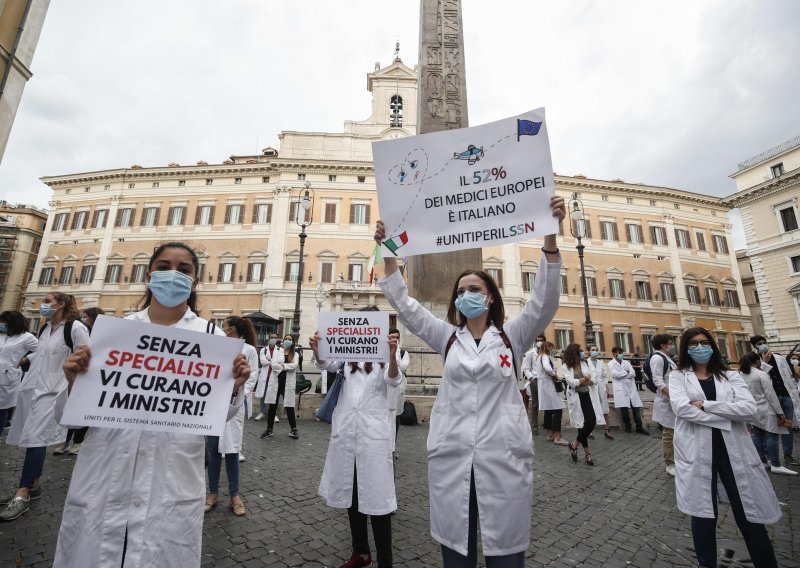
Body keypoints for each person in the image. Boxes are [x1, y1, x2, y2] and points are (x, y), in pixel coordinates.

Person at [376, 194, 565, 566]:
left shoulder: (513, 335)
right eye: (460, 291)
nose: (466, 295)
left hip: (503, 455)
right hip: (454, 454)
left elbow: (544, 301)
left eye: (474, 290)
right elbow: (407, 306)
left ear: (490, 298)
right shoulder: (446, 338)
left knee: (507, 553)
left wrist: (550, 238)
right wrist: (387, 250)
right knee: (456, 552)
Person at [50, 242, 250, 566]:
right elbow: (69, 421)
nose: (173, 275)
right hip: (105, 474)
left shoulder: (212, 340)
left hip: (172, 481)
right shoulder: (113, 334)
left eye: (183, 270)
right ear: (149, 275)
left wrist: (233, 389)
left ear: (195, 281)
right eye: (164, 266)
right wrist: (74, 382)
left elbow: (215, 417)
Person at [670, 327, 780, 568]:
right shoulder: (678, 376)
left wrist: (706, 406)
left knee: (749, 515)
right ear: (685, 349)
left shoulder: (731, 376)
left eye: (704, 342)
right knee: (703, 516)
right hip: (698, 453)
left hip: (733, 452)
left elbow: (748, 409)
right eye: (693, 344)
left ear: (713, 345)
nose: (700, 348)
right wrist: (726, 416)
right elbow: (682, 409)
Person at [310, 322, 402, 568]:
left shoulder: (385, 357)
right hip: (348, 433)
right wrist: (318, 349)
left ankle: (385, 561)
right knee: (352, 494)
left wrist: (392, 356)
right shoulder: (346, 357)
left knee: (378, 498)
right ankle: (361, 552)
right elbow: (324, 363)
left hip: (373, 437)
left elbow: (393, 380)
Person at [1, 292, 89, 522]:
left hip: (54, 390)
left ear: (61, 304)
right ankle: (35, 485)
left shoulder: (76, 328)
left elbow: (87, 357)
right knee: (31, 436)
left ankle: (22, 494)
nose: (43, 305)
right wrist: (26, 360)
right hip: (32, 389)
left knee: (36, 439)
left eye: (48, 301)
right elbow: (41, 355)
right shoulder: (44, 328)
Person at [205, 316, 259, 516]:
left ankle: (234, 495)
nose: (222, 328)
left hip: (235, 403)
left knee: (232, 449)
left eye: (224, 326)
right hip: (213, 403)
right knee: (213, 448)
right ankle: (212, 493)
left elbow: (252, 375)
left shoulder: (249, 350)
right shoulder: (216, 346)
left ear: (232, 329)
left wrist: (236, 391)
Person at [53, 306, 106, 457]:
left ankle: (77, 441)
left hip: (94, 373)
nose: (84, 319)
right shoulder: (82, 330)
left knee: (85, 408)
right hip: (79, 370)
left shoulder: (101, 332)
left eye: (86, 316)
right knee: (72, 405)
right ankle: (66, 440)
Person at [739, 352, 796, 475]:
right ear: (758, 361)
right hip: (766, 408)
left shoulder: (741, 375)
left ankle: (763, 461)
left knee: (758, 434)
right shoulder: (761, 374)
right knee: (772, 435)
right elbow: (771, 395)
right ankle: (775, 464)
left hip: (752, 409)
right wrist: (780, 413)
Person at [750, 335, 800, 466]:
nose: (763, 345)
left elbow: (788, 376)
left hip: (786, 395)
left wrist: (793, 391)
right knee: (770, 428)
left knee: (787, 426)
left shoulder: (779, 358)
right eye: (759, 343)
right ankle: (770, 455)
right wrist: (764, 362)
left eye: (764, 342)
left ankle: (788, 454)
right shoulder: (754, 361)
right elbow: (757, 378)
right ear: (755, 346)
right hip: (770, 399)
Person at [562, 345, 604, 466]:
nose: (582, 354)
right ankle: (587, 454)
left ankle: (574, 445)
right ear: (572, 354)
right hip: (575, 397)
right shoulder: (566, 367)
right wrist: (585, 378)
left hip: (587, 396)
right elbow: (572, 383)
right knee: (581, 425)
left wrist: (582, 380)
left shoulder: (586, 363)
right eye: (579, 352)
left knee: (591, 422)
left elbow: (595, 379)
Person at [0, 311, 38, 437]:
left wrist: (25, 359)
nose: (1, 324)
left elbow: (42, 350)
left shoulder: (27, 337)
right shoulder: (2, 334)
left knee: (2, 407)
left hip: (7, 376)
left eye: (4, 322)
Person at [649, 334, 677, 476]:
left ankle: (676, 460)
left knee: (674, 432)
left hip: (673, 401)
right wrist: (672, 395)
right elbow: (658, 380)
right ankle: (670, 462)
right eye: (671, 343)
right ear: (663, 345)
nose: (673, 346)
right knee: (669, 433)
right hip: (667, 400)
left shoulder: (667, 359)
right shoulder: (658, 358)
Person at [262, 333, 300, 439]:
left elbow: (294, 366)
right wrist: (284, 367)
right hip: (276, 381)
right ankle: (269, 429)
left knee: (289, 406)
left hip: (287, 383)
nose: (287, 341)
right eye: (286, 339)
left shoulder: (295, 354)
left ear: (292, 342)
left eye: (289, 339)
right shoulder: (277, 352)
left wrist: (283, 365)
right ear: (283, 341)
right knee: (272, 406)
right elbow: (274, 365)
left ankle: (294, 430)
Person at [608, 346, 649, 435]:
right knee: (624, 410)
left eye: (622, 353)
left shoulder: (626, 362)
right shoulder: (611, 364)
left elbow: (633, 373)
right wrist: (626, 372)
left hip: (631, 389)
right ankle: (628, 427)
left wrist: (623, 374)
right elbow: (615, 375)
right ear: (614, 354)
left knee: (636, 408)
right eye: (619, 353)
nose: (621, 355)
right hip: (621, 390)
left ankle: (639, 427)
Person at [538, 341, 568, 445]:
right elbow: (547, 368)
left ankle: (550, 434)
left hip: (544, 385)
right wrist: (554, 374)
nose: (553, 350)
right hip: (548, 385)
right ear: (547, 347)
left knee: (549, 409)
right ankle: (557, 436)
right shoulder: (545, 357)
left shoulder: (541, 357)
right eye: (552, 347)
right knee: (558, 409)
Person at [388, 327, 409, 459]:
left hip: (399, 389)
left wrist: (394, 357)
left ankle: (393, 447)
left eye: (397, 337)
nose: (394, 339)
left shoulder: (402, 353)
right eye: (392, 337)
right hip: (387, 389)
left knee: (396, 418)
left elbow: (403, 367)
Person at [586, 345, 613, 440]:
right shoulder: (586, 362)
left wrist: (607, 389)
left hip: (601, 387)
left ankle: (607, 430)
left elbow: (604, 377)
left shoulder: (601, 363)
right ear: (588, 352)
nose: (595, 351)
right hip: (591, 388)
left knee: (605, 410)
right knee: (591, 410)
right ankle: (590, 431)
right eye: (592, 350)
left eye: (596, 350)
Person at [254, 332, 281, 421]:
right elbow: (263, 362)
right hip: (265, 375)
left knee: (274, 394)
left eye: (275, 338)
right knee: (263, 394)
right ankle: (262, 412)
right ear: (268, 339)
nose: (274, 339)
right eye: (272, 337)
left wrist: (269, 361)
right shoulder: (263, 350)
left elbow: (280, 362)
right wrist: (273, 362)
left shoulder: (279, 350)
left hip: (274, 375)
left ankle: (273, 414)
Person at [521, 334, 545, 430]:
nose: (539, 342)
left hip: (545, 380)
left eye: (541, 340)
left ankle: (547, 425)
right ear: (535, 342)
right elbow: (526, 368)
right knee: (535, 404)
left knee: (547, 403)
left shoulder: (547, 353)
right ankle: (534, 426)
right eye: (537, 340)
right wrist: (531, 379)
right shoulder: (530, 353)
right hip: (535, 380)